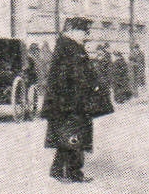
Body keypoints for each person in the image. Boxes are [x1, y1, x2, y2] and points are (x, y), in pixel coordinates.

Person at [42, 30, 114, 182]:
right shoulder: (72, 50)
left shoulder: (65, 48)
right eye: (84, 32)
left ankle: (57, 170)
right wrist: (92, 86)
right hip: (72, 104)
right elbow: (77, 76)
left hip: (64, 104)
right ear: (74, 32)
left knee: (65, 137)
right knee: (75, 137)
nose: (86, 36)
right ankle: (73, 173)